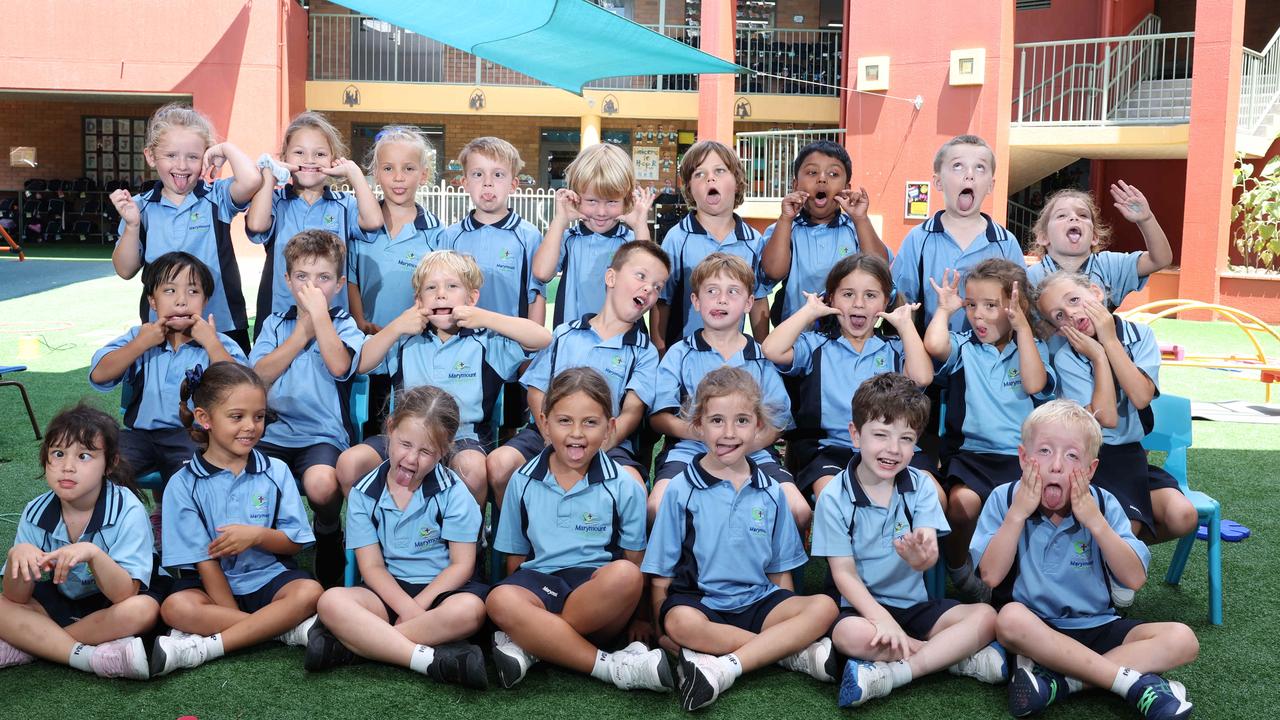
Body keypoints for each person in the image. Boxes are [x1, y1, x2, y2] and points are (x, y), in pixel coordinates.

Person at [973, 400, 1199, 719]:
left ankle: (1061, 682)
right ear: (1024, 458)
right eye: (1045, 451)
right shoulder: (1005, 499)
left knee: (1182, 639)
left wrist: (1095, 522)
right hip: (1038, 630)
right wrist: (1017, 515)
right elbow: (991, 576)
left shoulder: (1104, 506)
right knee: (1008, 619)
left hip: (1099, 625)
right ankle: (1131, 683)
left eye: (1072, 456)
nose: (1056, 466)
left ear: (1091, 470)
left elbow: (1134, 579)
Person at [643, 367, 839, 712]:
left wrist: (790, 618)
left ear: (760, 427)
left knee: (824, 607)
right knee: (679, 623)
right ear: (698, 426)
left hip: (758, 602)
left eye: (742, 421)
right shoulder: (680, 491)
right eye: (717, 420)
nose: (729, 433)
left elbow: (781, 573)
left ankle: (725, 665)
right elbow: (661, 575)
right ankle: (784, 654)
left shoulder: (773, 491)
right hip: (702, 605)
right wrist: (662, 630)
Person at [811, 374, 1006, 708]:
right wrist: (881, 619)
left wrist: (922, 560)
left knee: (987, 617)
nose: (893, 449)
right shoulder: (833, 496)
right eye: (881, 435)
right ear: (856, 435)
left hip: (914, 607)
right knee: (846, 636)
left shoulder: (923, 486)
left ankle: (899, 670)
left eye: (905, 438)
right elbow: (843, 575)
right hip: (861, 609)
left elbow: (928, 549)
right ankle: (951, 659)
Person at [486, 368, 672, 693]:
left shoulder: (624, 485)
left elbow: (635, 557)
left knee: (626, 574)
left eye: (590, 422)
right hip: (539, 585)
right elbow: (515, 558)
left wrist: (642, 617)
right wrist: (523, 604)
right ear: (544, 424)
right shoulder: (523, 480)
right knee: (499, 599)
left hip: (595, 593)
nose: (576, 434)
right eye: (564, 421)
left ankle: (534, 643)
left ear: (610, 428)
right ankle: (610, 667)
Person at [306, 387, 489, 688]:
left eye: (426, 451)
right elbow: (372, 568)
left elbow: (461, 566)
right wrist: (408, 610)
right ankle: (431, 660)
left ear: (444, 450)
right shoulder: (364, 493)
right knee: (330, 601)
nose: (412, 459)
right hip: (387, 593)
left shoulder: (455, 492)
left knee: (471, 611)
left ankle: (360, 646)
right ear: (390, 428)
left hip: (442, 593)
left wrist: (419, 607)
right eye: (405, 444)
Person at [340, 250, 552, 507]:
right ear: (418, 300)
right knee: (350, 464)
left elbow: (542, 338)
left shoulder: (486, 341)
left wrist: (485, 317)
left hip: (462, 438)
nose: (441, 293)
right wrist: (396, 325)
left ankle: (469, 539)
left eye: (452, 286)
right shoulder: (405, 339)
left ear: (472, 297)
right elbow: (361, 363)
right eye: (431, 288)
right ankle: (377, 529)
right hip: (405, 437)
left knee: (472, 469)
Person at [150, 362, 323, 676]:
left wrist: (257, 535)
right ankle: (283, 631)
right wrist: (228, 611)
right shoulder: (182, 484)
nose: (251, 426)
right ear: (204, 419)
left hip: (268, 579)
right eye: (236, 416)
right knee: (175, 607)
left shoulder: (277, 471)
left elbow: (293, 544)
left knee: (310, 593)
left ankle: (209, 646)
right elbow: (204, 562)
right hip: (209, 588)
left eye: (258, 416)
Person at [487, 240, 669, 505]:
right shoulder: (565, 333)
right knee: (499, 465)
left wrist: (597, 444)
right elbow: (537, 391)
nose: (648, 289)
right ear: (611, 277)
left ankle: (616, 546)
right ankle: (517, 541)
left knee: (635, 488)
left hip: (607, 441)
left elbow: (632, 412)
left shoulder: (644, 351)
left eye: (657, 287)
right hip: (547, 434)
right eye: (641, 276)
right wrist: (553, 438)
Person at [1033, 272, 1198, 558]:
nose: (1070, 313)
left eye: (1074, 300)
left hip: (1131, 456)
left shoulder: (1140, 335)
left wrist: (1108, 342)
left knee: (1183, 516)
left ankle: (1113, 555)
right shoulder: (1067, 358)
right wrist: (1098, 356)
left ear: (1096, 293)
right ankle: (1114, 564)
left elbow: (1141, 395)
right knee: (1128, 524)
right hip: (1095, 458)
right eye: (1059, 315)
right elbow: (1105, 416)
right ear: (1059, 330)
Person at [923, 259, 1055, 602]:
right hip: (970, 457)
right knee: (962, 505)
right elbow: (935, 346)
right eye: (971, 305)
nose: (977, 315)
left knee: (1034, 507)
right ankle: (957, 568)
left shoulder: (1033, 349)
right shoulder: (966, 348)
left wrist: (1023, 329)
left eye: (990, 306)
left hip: (1020, 459)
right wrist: (943, 309)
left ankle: (1026, 580)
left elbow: (1034, 383)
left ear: (1015, 307)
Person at [649, 253, 809, 530]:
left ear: (748, 303)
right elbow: (658, 417)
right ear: (696, 301)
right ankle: (670, 572)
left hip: (752, 451)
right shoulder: (680, 353)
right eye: (712, 291)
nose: (722, 299)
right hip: (691, 448)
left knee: (799, 510)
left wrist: (742, 444)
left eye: (733, 292)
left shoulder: (759, 356)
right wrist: (702, 434)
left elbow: (778, 420)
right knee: (657, 505)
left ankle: (776, 572)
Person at [0, 404, 160, 679]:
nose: (68, 467)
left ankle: (34, 645)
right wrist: (19, 556)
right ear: (45, 459)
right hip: (63, 599)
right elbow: (16, 597)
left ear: (109, 464)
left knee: (142, 611)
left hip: (114, 603)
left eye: (84, 456)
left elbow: (125, 594)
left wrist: (93, 553)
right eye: (58, 454)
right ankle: (89, 657)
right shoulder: (35, 511)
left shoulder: (127, 508)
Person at [250, 230, 368, 588]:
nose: (312, 286)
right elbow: (257, 377)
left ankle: (329, 530)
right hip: (271, 433)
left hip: (321, 436)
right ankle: (267, 545)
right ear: (287, 280)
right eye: (302, 277)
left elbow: (338, 365)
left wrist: (319, 320)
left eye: (323, 278)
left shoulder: (346, 325)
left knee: (320, 485)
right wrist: (300, 335)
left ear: (339, 283)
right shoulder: (274, 324)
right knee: (249, 478)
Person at [762, 254, 932, 500]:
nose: (859, 304)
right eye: (848, 294)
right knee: (831, 494)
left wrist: (906, 326)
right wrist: (809, 312)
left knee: (934, 494)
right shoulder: (816, 345)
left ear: (886, 302)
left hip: (893, 448)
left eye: (871, 295)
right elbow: (771, 349)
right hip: (831, 449)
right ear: (830, 298)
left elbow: (922, 378)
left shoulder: (895, 348)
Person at [109, 102, 262, 352]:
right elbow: (125, 270)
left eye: (193, 156)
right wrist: (132, 225)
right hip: (162, 330)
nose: (182, 165)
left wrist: (225, 149)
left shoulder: (216, 197)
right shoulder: (139, 207)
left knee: (230, 390)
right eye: (171, 155)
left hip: (221, 325)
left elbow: (252, 180)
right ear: (150, 156)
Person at [89, 252, 248, 488]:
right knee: (98, 468)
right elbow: (99, 374)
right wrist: (141, 344)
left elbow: (243, 391)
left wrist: (211, 343)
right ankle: (124, 523)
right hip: (140, 436)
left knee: (193, 479)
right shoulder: (138, 337)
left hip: (195, 436)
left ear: (205, 301)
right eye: (170, 291)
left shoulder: (219, 343)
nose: (181, 301)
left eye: (193, 291)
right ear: (152, 301)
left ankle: (172, 515)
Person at [347, 126, 446, 438]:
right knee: (366, 426)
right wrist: (359, 319)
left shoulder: (435, 233)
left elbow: (437, 291)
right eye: (389, 169)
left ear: (424, 175)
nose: (398, 178)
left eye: (408, 169)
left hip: (412, 350)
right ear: (376, 173)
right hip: (365, 345)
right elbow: (349, 277)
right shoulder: (358, 224)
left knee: (408, 426)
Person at [245, 111, 381, 332]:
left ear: (333, 158)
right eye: (299, 152)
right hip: (280, 319)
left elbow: (374, 221)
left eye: (319, 154)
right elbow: (257, 226)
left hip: (331, 322)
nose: (309, 160)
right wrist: (270, 174)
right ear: (285, 157)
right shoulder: (276, 201)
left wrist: (354, 173)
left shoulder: (343, 205)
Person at [892, 135, 1025, 333]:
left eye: (980, 167)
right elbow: (902, 304)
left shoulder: (1006, 242)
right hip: (930, 359)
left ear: (991, 185)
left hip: (991, 361)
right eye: (958, 166)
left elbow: (1020, 306)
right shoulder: (918, 238)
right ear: (938, 182)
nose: (969, 175)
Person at [652, 140, 772, 349]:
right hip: (683, 359)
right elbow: (662, 302)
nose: (710, 178)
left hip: (732, 359)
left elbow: (759, 300)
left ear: (737, 182)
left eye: (719, 170)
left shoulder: (753, 240)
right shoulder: (677, 238)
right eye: (699, 174)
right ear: (689, 188)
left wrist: (763, 355)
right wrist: (660, 354)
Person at [760, 139, 890, 324]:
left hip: (847, 337)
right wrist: (785, 219)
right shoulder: (784, 228)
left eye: (833, 173)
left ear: (846, 188)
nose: (822, 178)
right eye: (812, 172)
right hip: (797, 339)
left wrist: (860, 218)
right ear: (795, 185)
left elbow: (880, 270)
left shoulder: (855, 229)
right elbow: (773, 271)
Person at [533, 142, 656, 326]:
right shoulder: (569, 239)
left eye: (612, 202)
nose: (601, 211)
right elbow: (542, 273)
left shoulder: (631, 242)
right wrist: (560, 220)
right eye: (591, 200)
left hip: (620, 342)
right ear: (576, 196)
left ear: (626, 200)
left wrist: (640, 226)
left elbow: (648, 277)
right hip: (573, 340)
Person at [436, 136, 544, 325]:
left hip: (511, 348)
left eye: (498, 175)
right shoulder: (450, 237)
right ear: (465, 183)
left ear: (513, 185)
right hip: (462, 347)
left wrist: (533, 348)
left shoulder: (529, 236)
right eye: (478, 174)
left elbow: (535, 296)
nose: (488, 182)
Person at [1026, 184, 1173, 311]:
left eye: (1083, 215)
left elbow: (1160, 260)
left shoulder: (1109, 266)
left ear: (1095, 237)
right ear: (1043, 237)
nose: (1074, 218)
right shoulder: (1029, 277)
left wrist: (1146, 219)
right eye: (1062, 216)